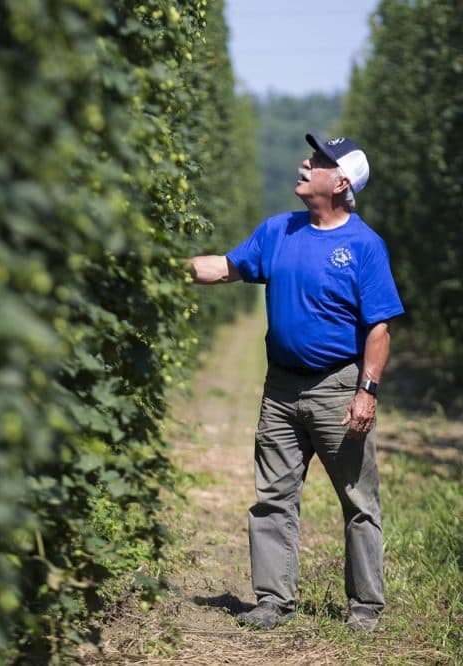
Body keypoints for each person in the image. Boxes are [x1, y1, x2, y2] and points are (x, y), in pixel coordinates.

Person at [189, 134, 404, 632]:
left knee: (357, 500)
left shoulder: (364, 246)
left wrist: (366, 391)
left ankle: (365, 605)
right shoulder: (278, 231)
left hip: (337, 386)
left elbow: (379, 328)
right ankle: (272, 599)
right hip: (281, 389)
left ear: (342, 181)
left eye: (322, 160)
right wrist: (161, 270)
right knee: (272, 496)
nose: (307, 163)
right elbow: (224, 267)